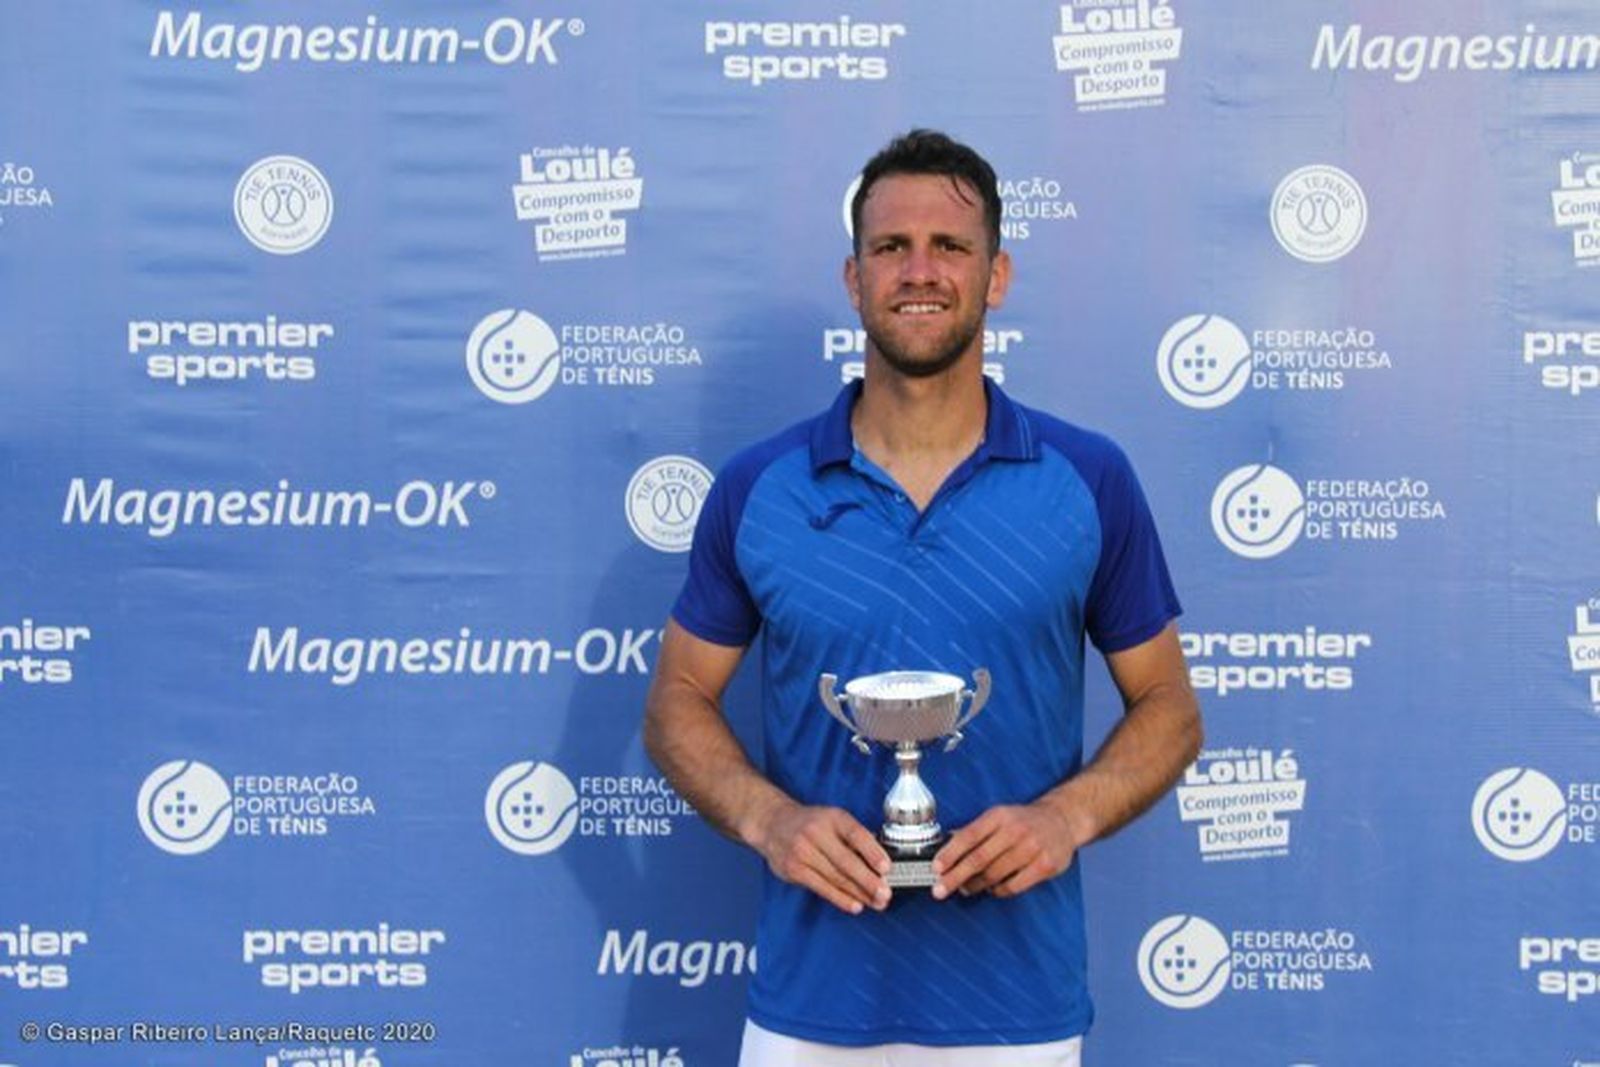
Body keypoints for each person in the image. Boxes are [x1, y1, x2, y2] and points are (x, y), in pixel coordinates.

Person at [644, 129, 1202, 1067]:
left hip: (1016, 1010)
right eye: (890, 247)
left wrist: (1065, 818)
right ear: (854, 278)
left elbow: (1171, 708)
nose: (920, 270)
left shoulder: (1088, 477)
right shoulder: (759, 485)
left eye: (951, 246)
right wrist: (768, 818)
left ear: (997, 277)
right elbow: (675, 701)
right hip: (808, 1010)